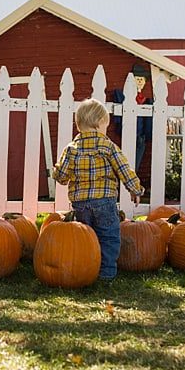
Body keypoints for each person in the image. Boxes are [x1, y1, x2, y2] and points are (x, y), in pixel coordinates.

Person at [51, 99, 143, 282]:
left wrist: (59, 175)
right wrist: (135, 189)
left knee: (85, 238)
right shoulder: (108, 146)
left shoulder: (71, 149)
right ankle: (106, 272)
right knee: (108, 236)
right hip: (105, 201)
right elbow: (123, 169)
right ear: (100, 122)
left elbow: (61, 176)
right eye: (106, 126)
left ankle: (86, 268)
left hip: (80, 204)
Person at [111, 63, 154, 172]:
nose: (140, 81)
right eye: (137, 79)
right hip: (127, 134)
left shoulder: (146, 101)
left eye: (142, 79)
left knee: (134, 165)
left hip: (140, 137)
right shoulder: (123, 97)